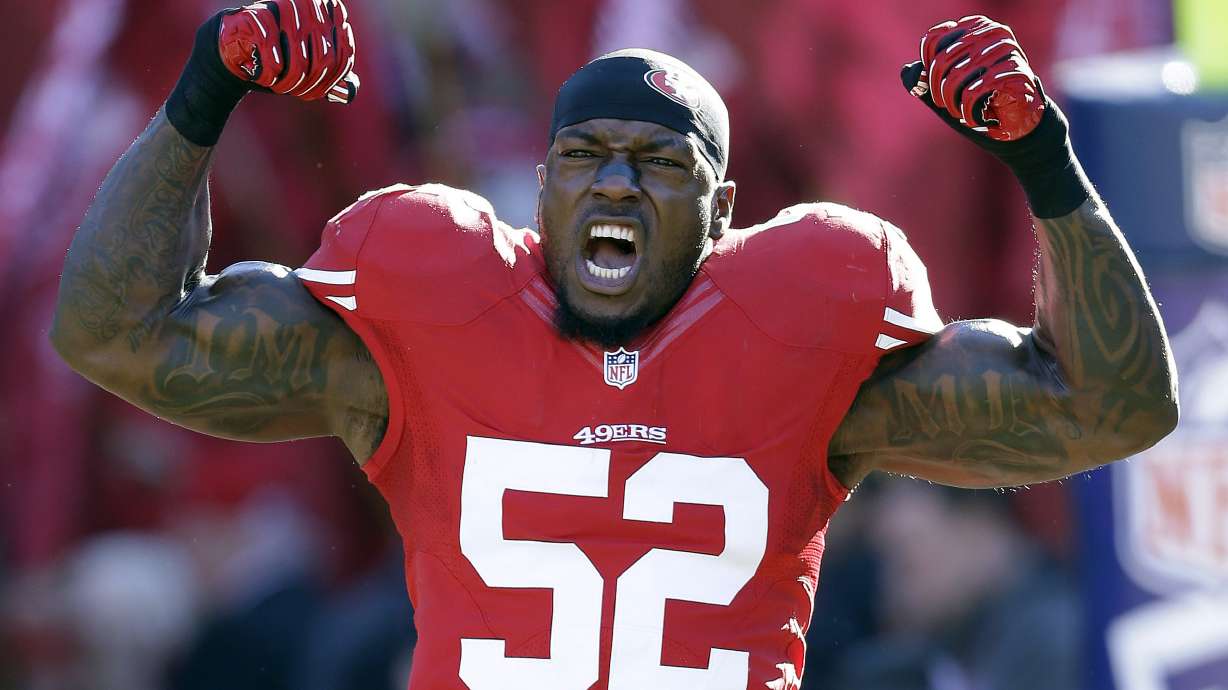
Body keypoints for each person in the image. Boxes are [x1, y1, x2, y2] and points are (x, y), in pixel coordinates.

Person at [49, 3, 1178, 688]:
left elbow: (1109, 410)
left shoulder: (805, 339)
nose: (617, 185)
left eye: (658, 163)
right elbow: (117, 333)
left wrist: (1046, 168)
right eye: (586, 156)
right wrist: (204, 96)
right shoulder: (423, 323)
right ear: (541, 190)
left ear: (723, 207)